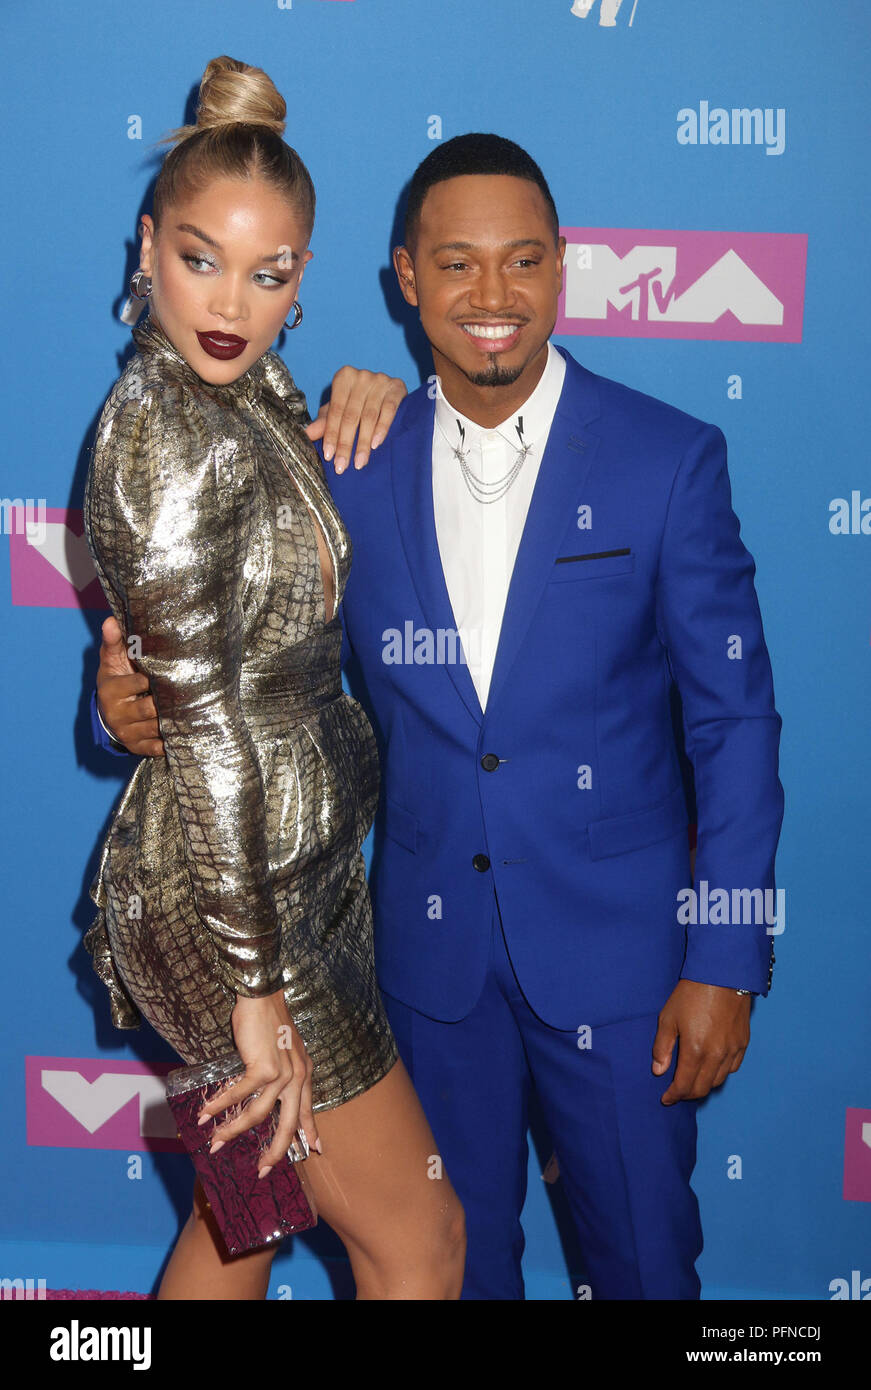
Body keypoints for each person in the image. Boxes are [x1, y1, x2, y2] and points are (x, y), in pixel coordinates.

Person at [94, 133, 784, 1300]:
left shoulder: (668, 460)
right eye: (456, 265)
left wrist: (726, 953)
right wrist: (124, 703)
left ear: (562, 268)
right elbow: (250, 657)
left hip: (620, 970)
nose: (492, 296)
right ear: (404, 278)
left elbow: (736, 724)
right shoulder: (344, 463)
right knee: (448, 1268)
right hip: (420, 964)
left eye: (522, 262)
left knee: (646, 1271)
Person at [82, 55, 465, 1301]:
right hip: (230, 904)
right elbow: (205, 732)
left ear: (304, 276)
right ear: (148, 249)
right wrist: (255, 995)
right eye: (200, 258)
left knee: (248, 1220)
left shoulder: (245, 388)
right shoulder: (158, 428)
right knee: (418, 1242)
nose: (230, 301)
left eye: (269, 270)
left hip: (293, 880)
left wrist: (377, 391)